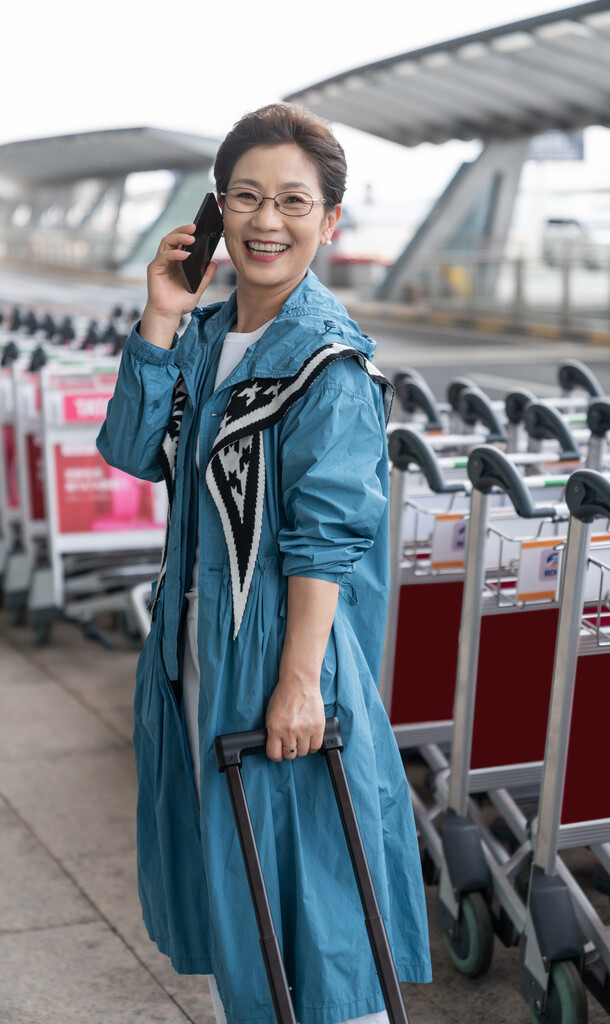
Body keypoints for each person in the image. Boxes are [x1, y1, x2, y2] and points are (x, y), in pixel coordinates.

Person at [97, 103, 431, 1024]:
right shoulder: (204, 337)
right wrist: (162, 311)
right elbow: (131, 450)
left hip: (281, 652)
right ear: (214, 214)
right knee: (233, 881)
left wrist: (297, 683)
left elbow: (324, 538)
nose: (266, 220)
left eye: (292, 200)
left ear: (329, 221)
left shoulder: (327, 363)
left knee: (311, 891)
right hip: (196, 647)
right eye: (244, 197)